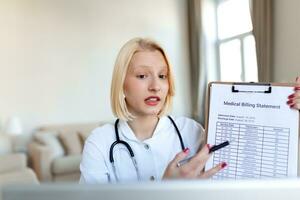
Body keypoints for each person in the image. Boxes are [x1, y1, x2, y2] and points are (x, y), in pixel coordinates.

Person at [79, 37, 300, 183]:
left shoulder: (192, 132)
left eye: (162, 76)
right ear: (121, 84)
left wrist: (289, 111)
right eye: (142, 75)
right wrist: (165, 192)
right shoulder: (100, 143)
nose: (156, 85)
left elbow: (246, 173)